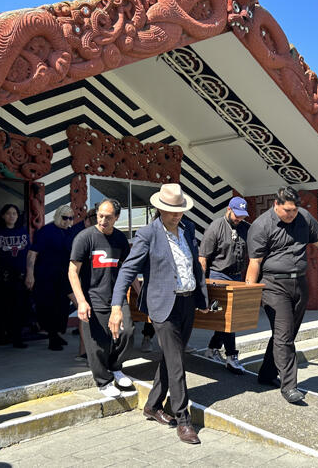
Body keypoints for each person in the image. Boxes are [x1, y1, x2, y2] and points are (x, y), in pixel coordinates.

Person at [112, 183, 209, 445]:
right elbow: (127, 270)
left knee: (171, 356)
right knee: (177, 361)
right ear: (159, 208)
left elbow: (195, 267)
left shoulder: (188, 230)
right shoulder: (147, 234)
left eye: (179, 210)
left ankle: (153, 405)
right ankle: (183, 418)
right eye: (171, 211)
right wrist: (116, 306)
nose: (177, 215)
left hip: (187, 302)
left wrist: (202, 297)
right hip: (162, 305)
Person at [245, 186, 318, 404]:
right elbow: (254, 263)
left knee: (286, 334)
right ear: (276, 205)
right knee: (284, 336)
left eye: (294, 210)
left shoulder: (303, 217)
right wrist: (249, 296)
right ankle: (290, 386)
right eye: (287, 211)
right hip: (274, 284)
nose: (292, 214)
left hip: (299, 282)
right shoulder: (261, 226)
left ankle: (266, 374)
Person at [69, 199, 134, 397]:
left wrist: (139, 290)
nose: (103, 220)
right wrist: (81, 301)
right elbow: (72, 271)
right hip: (92, 297)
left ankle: (115, 367)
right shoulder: (84, 238)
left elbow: (127, 267)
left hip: (117, 296)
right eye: (100, 215)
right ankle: (103, 381)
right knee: (98, 343)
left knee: (127, 332)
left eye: (108, 217)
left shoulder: (120, 239)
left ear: (116, 217)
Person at [198, 196, 250, 375]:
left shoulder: (245, 228)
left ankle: (212, 348)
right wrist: (202, 284)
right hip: (218, 276)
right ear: (229, 209)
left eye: (243, 216)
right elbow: (203, 257)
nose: (239, 219)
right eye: (237, 215)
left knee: (226, 318)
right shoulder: (216, 227)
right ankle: (231, 356)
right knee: (228, 318)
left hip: (237, 277)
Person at [26, 205, 76, 351]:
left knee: (62, 307)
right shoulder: (46, 231)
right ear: (57, 216)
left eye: (70, 218)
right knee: (49, 307)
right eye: (64, 217)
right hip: (46, 275)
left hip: (64, 275)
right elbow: (32, 253)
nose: (67, 221)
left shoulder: (70, 232)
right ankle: (52, 337)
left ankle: (57, 334)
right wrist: (30, 274)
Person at [0, 204, 30, 348]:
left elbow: (29, 255)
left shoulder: (23, 233)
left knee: (19, 308)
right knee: (1, 308)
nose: (12, 216)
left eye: (14, 213)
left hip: (20, 277)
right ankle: (0, 336)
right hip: (1, 278)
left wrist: (30, 274)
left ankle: (17, 338)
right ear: (3, 215)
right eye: (8, 213)